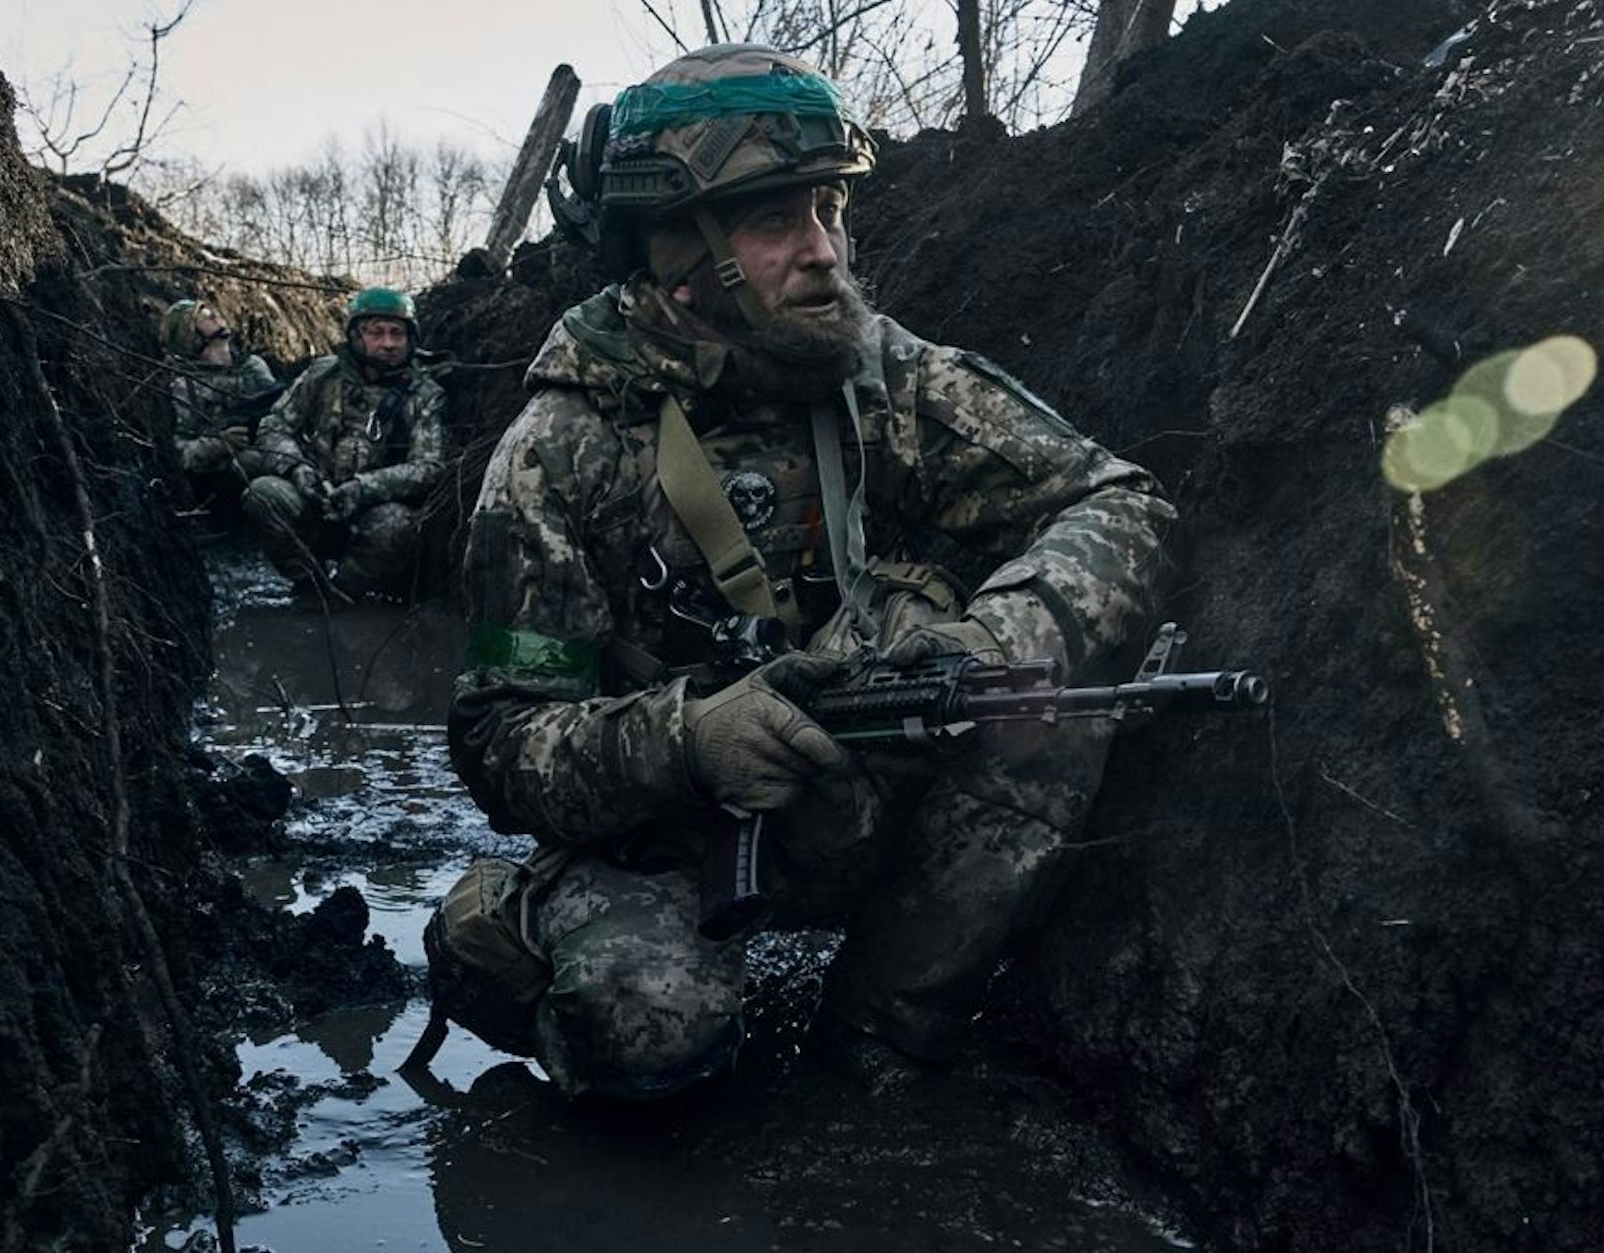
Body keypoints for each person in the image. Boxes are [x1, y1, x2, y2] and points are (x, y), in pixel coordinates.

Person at [423, 44, 1177, 1101]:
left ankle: (876, 1045)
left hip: (854, 780)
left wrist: (991, 643)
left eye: (829, 209)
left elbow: (1117, 499)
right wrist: (689, 736)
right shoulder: (560, 447)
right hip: (663, 837)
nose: (824, 252)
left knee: (1046, 710)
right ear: (675, 246)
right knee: (646, 1033)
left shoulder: (876, 372)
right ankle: (500, 934)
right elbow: (500, 742)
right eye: (777, 219)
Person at [242, 286, 450, 600]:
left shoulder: (425, 394)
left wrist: (364, 488)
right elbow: (274, 426)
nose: (388, 344)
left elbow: (429, 467)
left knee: (398, 526)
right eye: (376, 333)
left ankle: (346, 598)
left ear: (411, 339)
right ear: (355, 335)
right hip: (315, 497)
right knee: (263, 493)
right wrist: (299, 470)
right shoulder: (323, 375)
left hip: (374, 511)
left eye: (397, 334)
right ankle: (310, 588)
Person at [160, 298, 281, 501]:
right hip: (222, 478)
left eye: (212, 311)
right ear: (190, 336)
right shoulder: (185, 387)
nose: (215, 316)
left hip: (271, 446)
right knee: (249, 462)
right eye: (204, 316)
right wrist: (218, 444)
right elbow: (178, 454)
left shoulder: (253, 366)